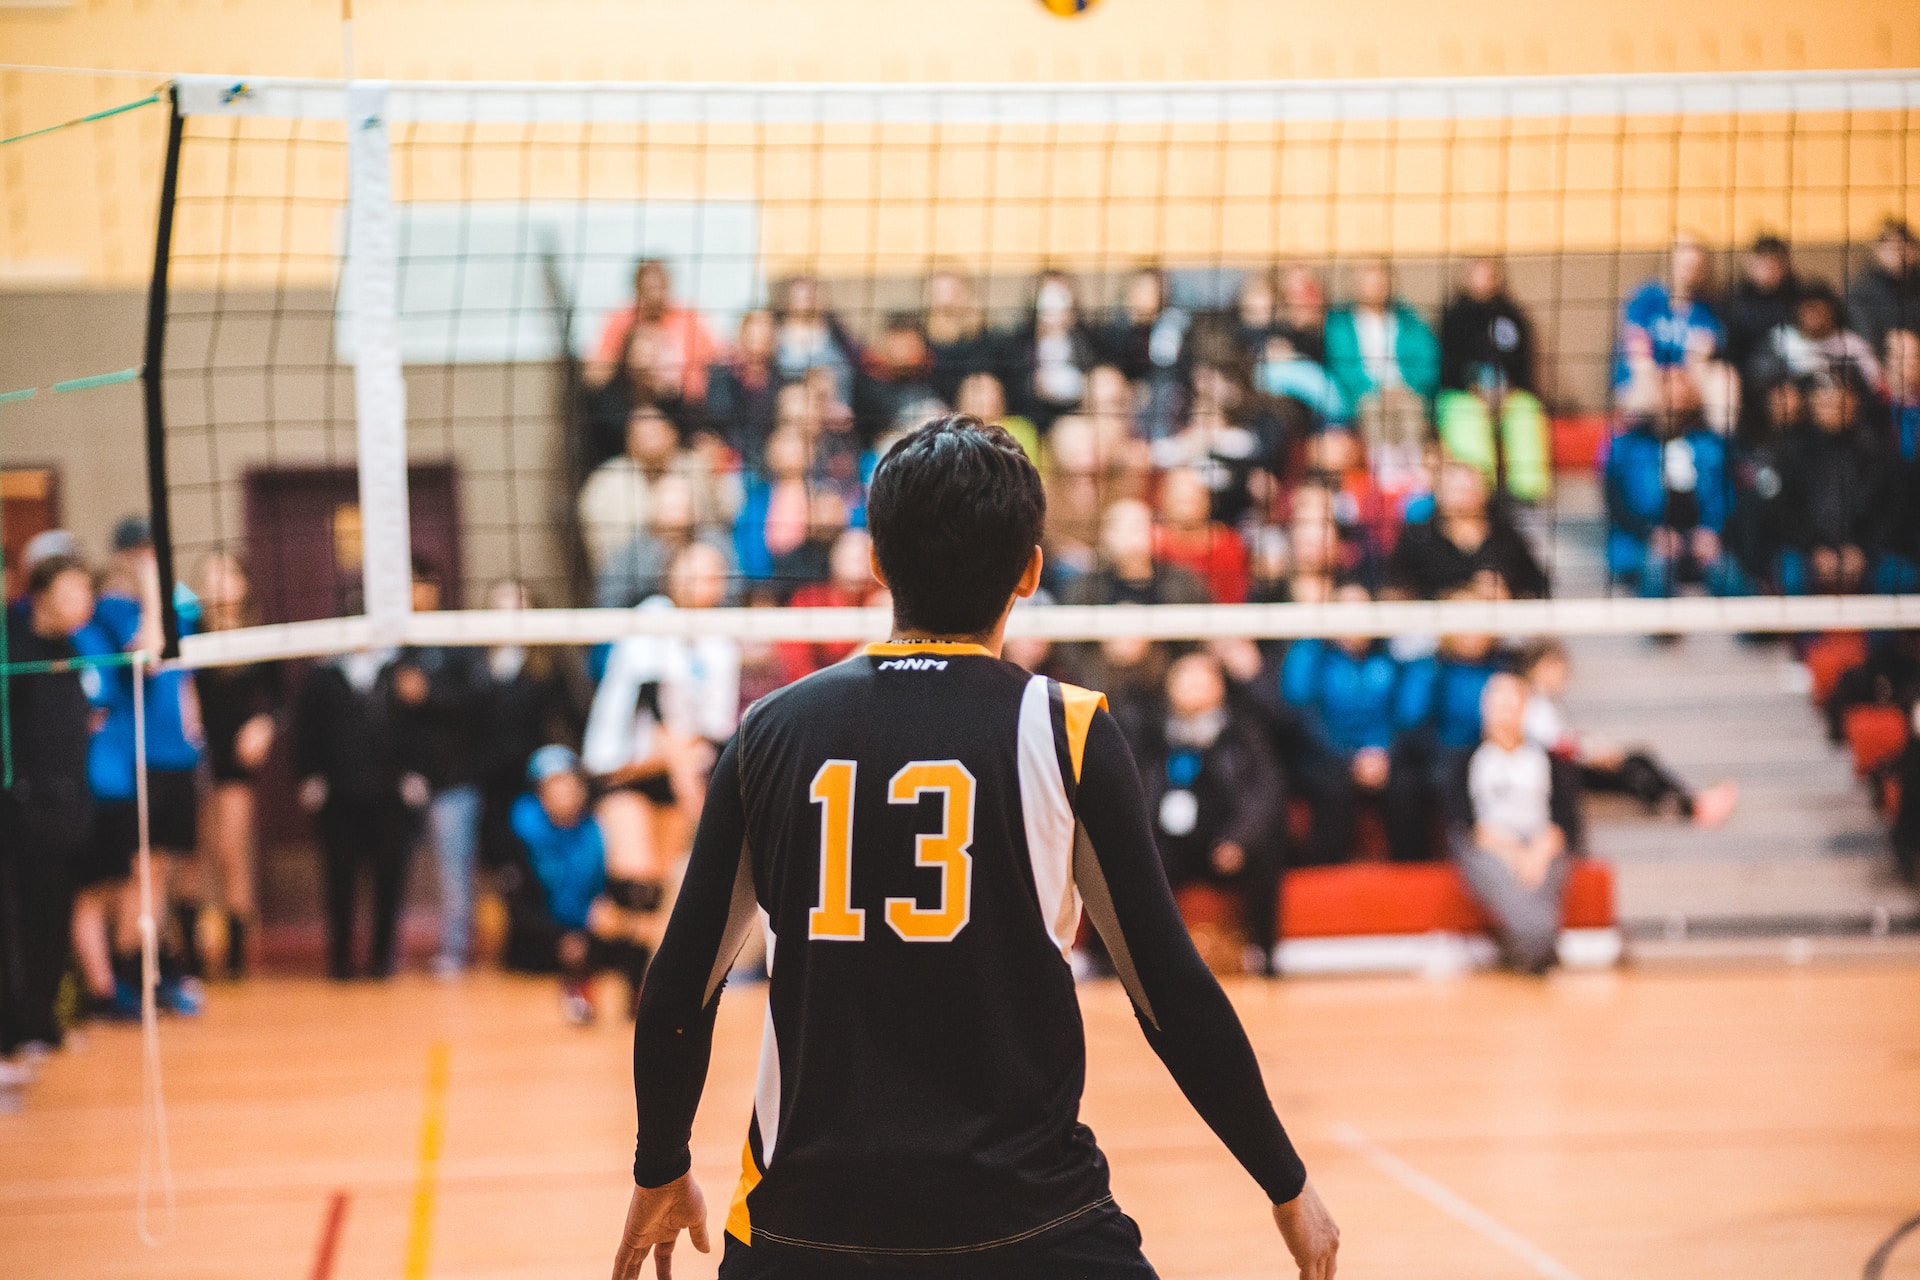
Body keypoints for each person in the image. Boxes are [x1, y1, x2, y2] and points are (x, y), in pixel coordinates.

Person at [611, 414, 1338, 1280]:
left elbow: (678, 989)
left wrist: (662, 1164)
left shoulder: (769, 730)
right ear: (1031, 570)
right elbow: (1171, 993)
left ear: (877, 563)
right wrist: (1285, 1182)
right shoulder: (1065, 728)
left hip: (806, 1229)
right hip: (1031, 1224)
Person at [69, 516, 203, 1017]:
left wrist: (196, 740)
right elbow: (146, 659)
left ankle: (149, 971)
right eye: (142, 552)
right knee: (139, 876)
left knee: (161, 873)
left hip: (176, 756)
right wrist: (150, 583)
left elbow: (181, 677)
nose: (150, 558)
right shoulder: (111, 612)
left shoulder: (174, 610)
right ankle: (126, 977)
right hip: (138, 758)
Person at [582, 542, 742, 917]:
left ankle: (632, 975)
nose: (699, 581)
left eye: (710, 574)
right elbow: (651, 709)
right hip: (624, 764)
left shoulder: (721, 640)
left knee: (655, 897)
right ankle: (583, 967)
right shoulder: (653, 616)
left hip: (675, 768)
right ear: (672, 576)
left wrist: (694, 777)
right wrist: (691, 788)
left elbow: (713, 730)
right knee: (633, 887)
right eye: (690, 570)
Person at [1135, 652, 1287, 975]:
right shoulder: (1153, 734)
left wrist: (1239, 840)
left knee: (1267, 852)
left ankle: (1265, 955)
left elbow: (1265, 792)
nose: (1193, 688)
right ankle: (1141, 961)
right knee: (1137, 863)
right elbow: (1139, 793)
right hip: (1171, 841)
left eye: (1201, 680)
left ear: (1218, 686)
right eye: (1184, 680)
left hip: (1226, 840)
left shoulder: (1243, 732)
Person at [0, 555, 96, 1065]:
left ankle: (43, 1021)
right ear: (41, 594)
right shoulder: (13, 648)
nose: (85, 599)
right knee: (21, 921)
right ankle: (17, 1029)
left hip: (67, 811)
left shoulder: (74, 649)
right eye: (74, 588)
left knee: (54, 920)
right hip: (22, 813)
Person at [1279, 582, 1435, 866]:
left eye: (1363, 612)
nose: (1355, 621)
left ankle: (1410, 871)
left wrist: (1383, 753)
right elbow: (1302, 712)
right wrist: (1348, 758)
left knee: (1408, 786)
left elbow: (1409, 713)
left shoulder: (1392, 655)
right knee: (1331, 788)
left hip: (1385, 756)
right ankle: (1325, 875)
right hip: (1329, 756)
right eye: (1345, 612)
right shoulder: (1313, 655)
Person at [294, 645, 425, 980]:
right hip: (339, 794)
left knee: (389, 877)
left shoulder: (400, 671)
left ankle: (383, 958)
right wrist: (310, 775)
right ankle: (340, 961)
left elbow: (418, 726)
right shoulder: (323, 677)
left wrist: (413, 772)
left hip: (390, 794)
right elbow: (305, 727)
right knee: (339, 879)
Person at [1519, 639, 1739, 835]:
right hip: (1560, 773)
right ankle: (1690, 806)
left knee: (1638, 759)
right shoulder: (1533, 703)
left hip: (1565, 766)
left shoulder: (1543, 702)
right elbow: (1554, 745)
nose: (1565, 676)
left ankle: (1690, 800)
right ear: (1544, 667)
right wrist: (1594, 755)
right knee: (1633, 767)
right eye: (1561, 668)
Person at [390, 561, 489, 979]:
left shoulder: (457, 639)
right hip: (405, 781)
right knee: (398, 870)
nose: (413, 593)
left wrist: (428, 694)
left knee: (454, 872)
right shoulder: (395, 645)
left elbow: (478, 700)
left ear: (433, 588)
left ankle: (455, 950)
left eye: (417, 584)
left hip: (455, 779)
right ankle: (389, 952)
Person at [186, 550, 281, 978]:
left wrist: (264, 725)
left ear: (242, 583)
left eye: (225, 575)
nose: (217, 584)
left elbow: (281, 698)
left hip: (237, 755)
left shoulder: (258, 635)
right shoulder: (189, 630)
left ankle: (237, 956)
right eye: (209, 577)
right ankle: (192, 954)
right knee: (193, 854)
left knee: (230, 850)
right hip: (194, 751)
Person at [512, 745, 653, 1025]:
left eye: (568, 783)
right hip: (543, 935)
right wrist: (562, 933)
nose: (564, 793)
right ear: (540, 793)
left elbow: (611, 884)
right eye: (554, 785)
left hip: (591, 921)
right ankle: (579, 996)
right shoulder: (524, 833)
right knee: (579, 944)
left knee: (634, 933)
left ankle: (640, 1001)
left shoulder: (595, 828)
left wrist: (614, 914)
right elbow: (522, 906)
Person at [1448, 673, 1575, 975]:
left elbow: (1564, 819)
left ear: (1525, 707)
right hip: (1491, 843)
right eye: (1496, 701)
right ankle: (1539, 944)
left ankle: (1528, 946)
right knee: (1505, 879)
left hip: (1541, 841)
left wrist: (1538, 852)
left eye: (1511, 701)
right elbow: (1466, 824)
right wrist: (1513, 852)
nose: (1503, 708)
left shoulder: (1547, 760)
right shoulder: (1466, 760)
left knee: (1540, 879)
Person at [1604, 365, 1748, 600]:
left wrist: (1712, 531)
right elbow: (1616, 501)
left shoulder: (1711, 444)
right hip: (1652, 538)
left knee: (1732, 578)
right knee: (1656, 574)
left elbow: (1727, 495)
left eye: (1682, 389)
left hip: (1701, 537)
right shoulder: (1630, 445)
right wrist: (1651, 533)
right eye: (1668, 387)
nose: (1675, 396)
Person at [578, 403, 742, 573]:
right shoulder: (608, 480)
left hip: (696, 569)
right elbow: (596, 541)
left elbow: (726, 514)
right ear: (628, 439)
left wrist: (719, 474)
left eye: (655, 428)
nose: (649, 438)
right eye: (641, 431)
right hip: (632, 570)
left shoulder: (696, 466)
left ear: (672, 433)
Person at [584, 259, 721, 461]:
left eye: (659, 286)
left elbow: (714, 365)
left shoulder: (687, 317)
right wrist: (635, 372)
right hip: (629, 410)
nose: (654, 294)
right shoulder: (621, 319)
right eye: (648, 287)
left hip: (683, 411)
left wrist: (676, 384)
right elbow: (595, 375)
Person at [1321, 258, 1441, 481]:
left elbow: (1428, 360)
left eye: (1380, 273)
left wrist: (1408, 386)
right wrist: (1373, 388)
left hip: (1406, 393)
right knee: (1374, 408)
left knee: (1411, 409)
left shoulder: (1409, 319)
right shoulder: (1340, 321)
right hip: (1365, 396)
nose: (1375, 281)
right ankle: (1385, 478)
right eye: (1368, 273)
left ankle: (1414, 478)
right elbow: (1341, 364)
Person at [1774, 370, 1885, 596]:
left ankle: (1883, 634)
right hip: (1807, 550)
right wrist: (1815, 548)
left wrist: (1861, 548)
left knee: (1895, 575)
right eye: (1825, 401)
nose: (1832, 408)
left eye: (1839, 401)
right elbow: (1784, 513)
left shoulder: (1874, 451)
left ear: (1854, 402)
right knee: (1790, 574)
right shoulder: (1792, 452)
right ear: (1812, 404)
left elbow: (1885, 512)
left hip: (1867, 550)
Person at [1387, 456, 1549, 600]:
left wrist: (1509, 595)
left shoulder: (1505, 534)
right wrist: (1453, 597)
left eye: (1471, 487)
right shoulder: (1418, 535)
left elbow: (1536, 585)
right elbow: (1396, 589)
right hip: (1433, 626)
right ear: (1439, 494)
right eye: (1458, 489)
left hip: (1499, 624)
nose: (1466, 494)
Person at [1613, 233, 1724, 404]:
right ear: (1672, 263)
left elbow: (1699, 357)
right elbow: (1638, 352)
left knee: (1722, 379)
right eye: (1685, 264)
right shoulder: (1647, 298)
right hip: (1645, 382)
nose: (1690, 272)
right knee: (1644, 376)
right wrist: (1663, 381)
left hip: (1686, 386)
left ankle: (1716, 431)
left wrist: (1681, 383)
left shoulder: (1707, 311)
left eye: (1696, 267)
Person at [1004, 269, 1101, 432]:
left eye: (1060, 295)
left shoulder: (1088, 338)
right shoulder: (1018, 343)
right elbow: (1014, 391)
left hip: (1077, 420)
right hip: (1034, 422)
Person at [1438, 256, 1537, 395]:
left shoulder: (1511, 316)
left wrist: (1509, 388)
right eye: (1478, 274)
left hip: (1509, 393)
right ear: (1467, 278)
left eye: (1488, 275)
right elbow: (1449, 366)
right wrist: (1473, 387)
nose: (1483, 281)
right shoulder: (1454, 318)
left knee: (1526, 411)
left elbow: (1521, 363)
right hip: (1463, 394)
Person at [1152, 466, 1249, 604]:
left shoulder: (1227, 543)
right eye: (1180, 499)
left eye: (1192, 498)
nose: (1186, 507)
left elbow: (1234, 598)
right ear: (1163, 498)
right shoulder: (1151, 542)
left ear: (1207, 500)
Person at [1768, 281, 1883, 390]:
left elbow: (1875, 382)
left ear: (1833, 312)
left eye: (1819, 310)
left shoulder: (1853, 344)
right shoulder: (1781, 338)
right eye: (1808, 310)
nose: (1813, 316)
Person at [704, 309, 780, 467]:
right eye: (754, 327)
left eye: (766, 327)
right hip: (729, 460)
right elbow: (716, 421)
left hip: (770, 460)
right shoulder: (721, 375)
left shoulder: (780, 379)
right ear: (743, 333)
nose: (760, 334)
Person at [1846, 219, 1920, 361]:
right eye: (1892, 247)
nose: (1900, 253)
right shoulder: (1862, 289)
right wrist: (1890, 342)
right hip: (1879, 361)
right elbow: (1865, 334)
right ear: (1878, 250)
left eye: (1905, 245)